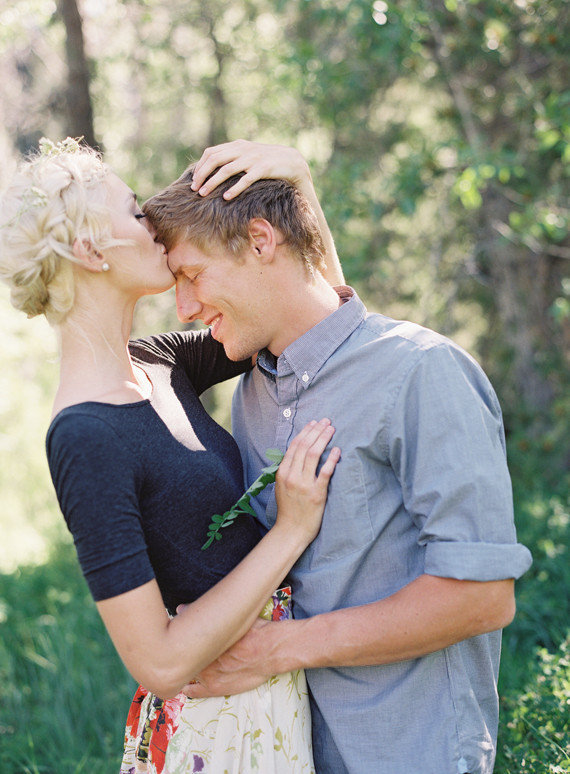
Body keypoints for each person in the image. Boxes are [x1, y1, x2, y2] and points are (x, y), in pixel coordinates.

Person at [143, 139, 534, 774]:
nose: (184, 309)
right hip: (290, 751)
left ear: (261, 241)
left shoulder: (422, 372)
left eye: (192, 275)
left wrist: (281, 648)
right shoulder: (254, 393)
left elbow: (483, 598)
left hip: (410, 753)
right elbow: (318, 319)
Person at [0, 137, 343, 774]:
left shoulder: (161, 362)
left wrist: (300, 186)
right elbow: (158, 663)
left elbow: (318, 315)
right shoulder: (82, 437)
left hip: (274, 700)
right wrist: (291, 531)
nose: (154, 226)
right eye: (135, 213)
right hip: (213, 734)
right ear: (90, 250)